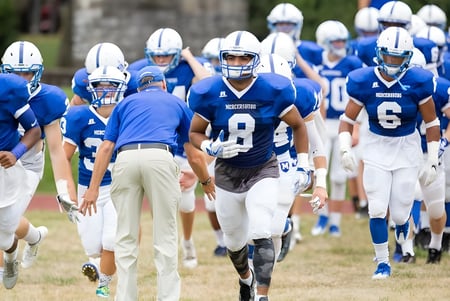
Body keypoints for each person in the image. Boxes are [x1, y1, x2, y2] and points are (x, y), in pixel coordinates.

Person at [188, 30, 322, 301]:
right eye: (231, 58)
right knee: (234, 243)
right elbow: (195, 133)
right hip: (226, 173)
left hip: (263, 169)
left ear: (255, 60)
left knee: (261, 231)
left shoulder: (273, 89)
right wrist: (209, 146)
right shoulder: (209, 91)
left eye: (243, 58)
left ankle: (263, 295)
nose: (236, 63)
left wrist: (303, 165)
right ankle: (245, 280)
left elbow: (298, 126)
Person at [80, 66, 212, 301]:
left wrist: (92, 189)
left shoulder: (125, 103)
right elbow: (192, 153)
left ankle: (125, 297)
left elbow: (107, 147)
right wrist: (205, 180)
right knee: (165, 235)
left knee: (125, 236)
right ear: (163, 85)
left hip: (125, 158)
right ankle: (167, 297)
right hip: (160, 157)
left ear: (140, 88)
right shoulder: (176, 102)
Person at [338, 26, 440, 279]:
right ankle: (382, 262)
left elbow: (432, 122)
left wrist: (432, 160)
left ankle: (404, 225)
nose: (392, 63)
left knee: (400, 212)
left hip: (406, 147)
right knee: (376, 208)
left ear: (408, 57)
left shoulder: (418, 80)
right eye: (388, 56)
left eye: (398, 57)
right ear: (378, 53)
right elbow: (347, 119)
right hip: (375, 146)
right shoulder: (364, 80)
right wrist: (344, 148)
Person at [129, 27, 213, 268]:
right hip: (158, 139)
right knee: (159, 198)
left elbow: (207, 83)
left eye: (167, 55)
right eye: (156, 55)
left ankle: (187, 241)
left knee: (186, 201)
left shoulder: (190, 67)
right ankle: (167, 245)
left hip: (184, 139)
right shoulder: (140, 70)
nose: (161, 60)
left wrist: (188, 57)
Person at [0, 41, 77, 277]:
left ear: (39, 72)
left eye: (28, 72)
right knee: (4, 226)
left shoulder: (48, 99)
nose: (22, 79)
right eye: (15, 72)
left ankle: (21, 246)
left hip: (29, 166)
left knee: (6, 226)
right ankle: (31, 240)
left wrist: (64, 189)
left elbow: (56, 150)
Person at [60, 66, 128, 297]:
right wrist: (67, 191)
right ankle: (100, 268)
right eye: (100, 85)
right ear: (91, 88)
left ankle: (104, 287)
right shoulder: (78, 116)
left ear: (121, 89)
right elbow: (63, 157)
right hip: (86, 187)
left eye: (111, 85)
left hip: (119, 186)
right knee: (91, 245)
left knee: (111, 239)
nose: (105, 90)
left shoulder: (127, 114)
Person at [310, 20, 364, 237]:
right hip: (321, 124)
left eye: (343, 40)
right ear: (324, 42)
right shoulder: (316, 62)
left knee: (339, 176)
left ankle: (335, 221)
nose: (341, 44)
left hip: (344, 124)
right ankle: (321, 217)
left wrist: (357, 127)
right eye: (336, 41)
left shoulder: (352, 63)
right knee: (318, 174)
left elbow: (361, 98)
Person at [0, 73, 42, 289]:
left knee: (4, 236)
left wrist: (15, 153)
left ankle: (21, 246)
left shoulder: (8, 88)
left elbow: (35, 130)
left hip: (4, 169)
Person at [70, 42, 138, 106]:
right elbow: (73, 110)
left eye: (112, 83)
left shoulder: (136, 85)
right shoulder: (83, 83)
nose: (105, 90)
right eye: (97, 82)